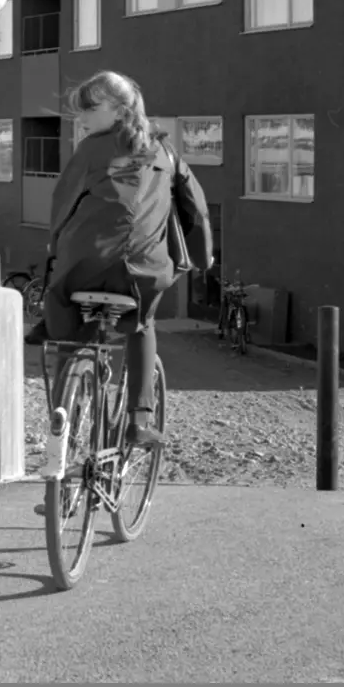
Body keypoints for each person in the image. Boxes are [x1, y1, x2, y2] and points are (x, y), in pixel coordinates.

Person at [34, 70, 213, 460]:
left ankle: (66, 406)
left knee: (64, 313)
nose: (81, 119)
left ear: (119, 109)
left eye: (89, 109)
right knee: (142, 325)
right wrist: (202, 260)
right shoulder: (167, 153)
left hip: (86, 261)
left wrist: (55, 252)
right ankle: (139, 418)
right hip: (145, 272)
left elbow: (61, 207)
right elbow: (196, 210)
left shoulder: (90, 151)